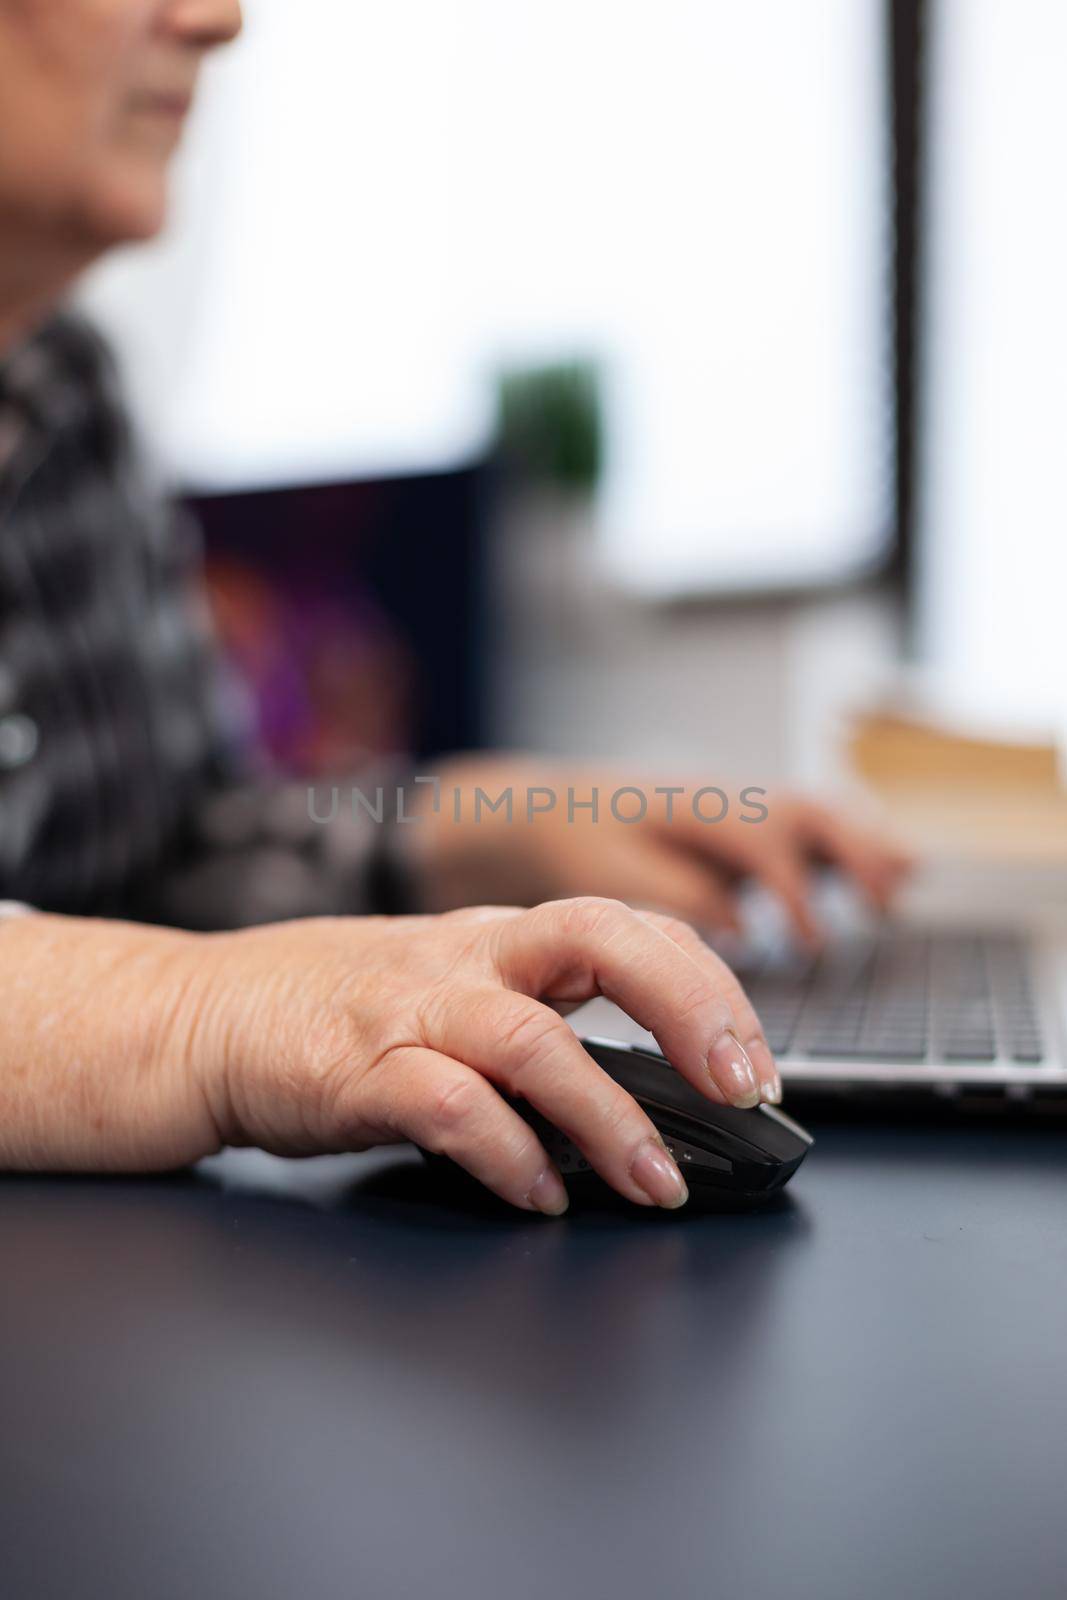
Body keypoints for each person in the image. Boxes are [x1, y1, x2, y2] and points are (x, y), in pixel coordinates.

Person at [0, 0, 907, 1213]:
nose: (217, 17)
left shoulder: (70, 389)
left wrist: (470, 824)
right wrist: (206, 1012)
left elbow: (164, 849)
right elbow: (181, 968)